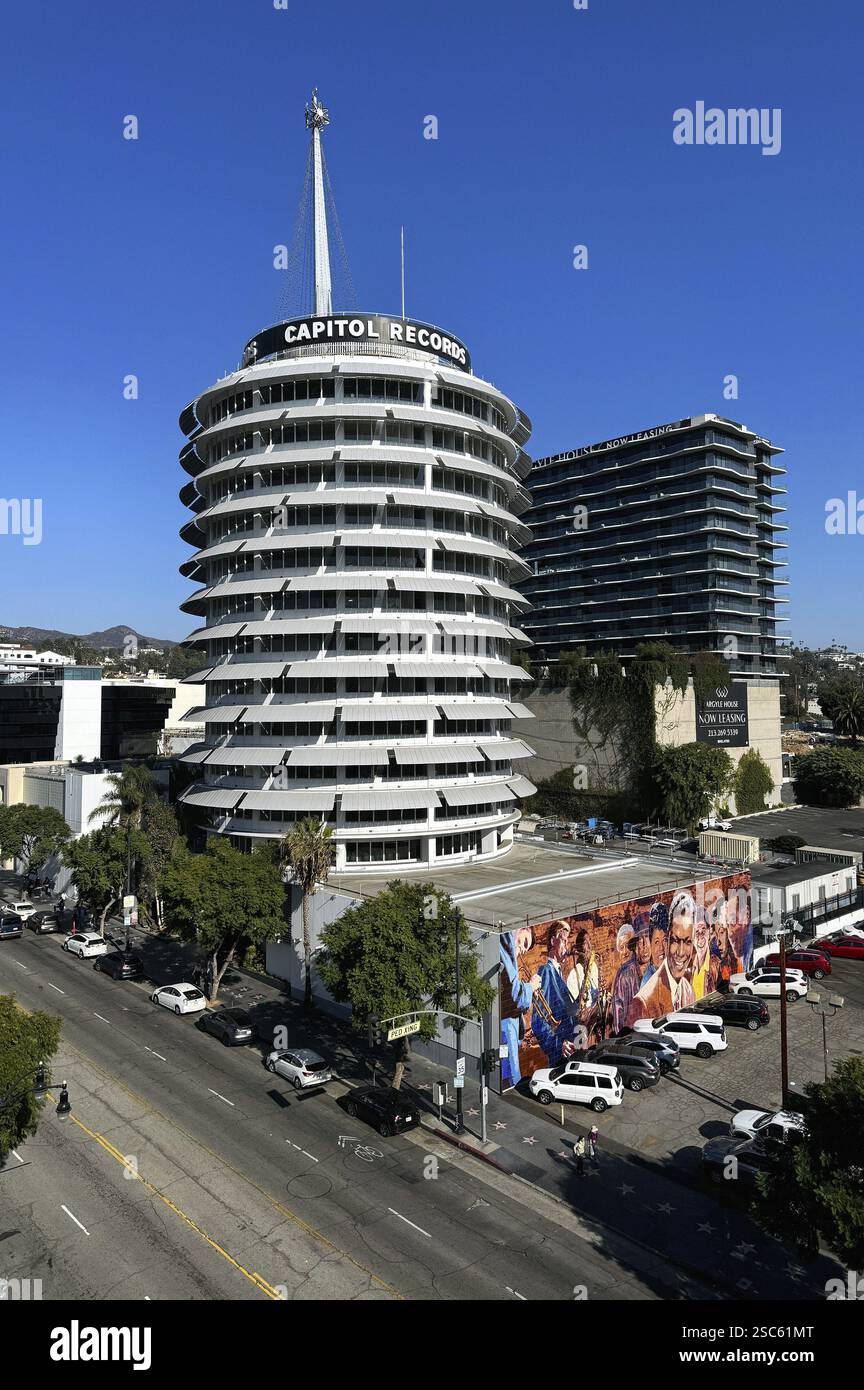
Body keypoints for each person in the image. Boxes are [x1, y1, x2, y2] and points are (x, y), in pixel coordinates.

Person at [626, 891, 697, 1024]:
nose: (681, 952)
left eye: (688, 942)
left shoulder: (687, 990)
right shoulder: (643, 1001)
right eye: (675, 940)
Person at [530, 922, 584, 1068]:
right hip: (560, 1057)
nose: (567, 946)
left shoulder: (558, 973)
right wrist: (558, 1045)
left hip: (570, 1051)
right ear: (553, 941)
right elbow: (538, 1021)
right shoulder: (546, 972)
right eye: (564, 941)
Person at [499, 928, 539, 1087]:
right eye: (524, 942)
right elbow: (516, 996)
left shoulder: (507, 951)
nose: (522, 950)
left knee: (507, 1071)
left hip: (508, 1028)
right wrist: (531, 987)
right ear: (522, 929)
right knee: (509, 1073)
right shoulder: (504, 948)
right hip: (505, 1027)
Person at [611, 914, 651, 1034]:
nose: (643, 946)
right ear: (635, 946)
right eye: (639, 941)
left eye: (647, 938)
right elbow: (618, 1018)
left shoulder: (658, 969)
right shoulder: (625, 975)